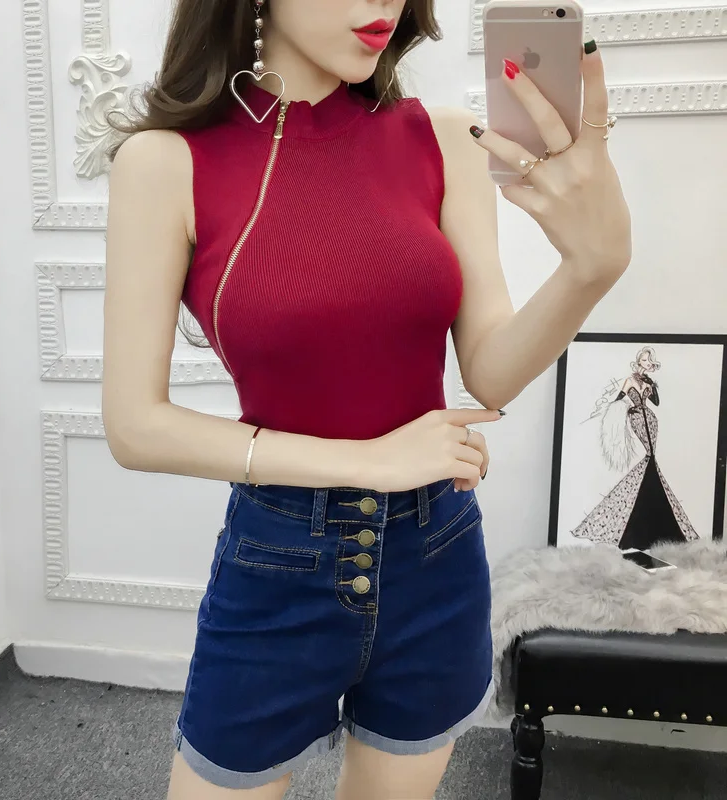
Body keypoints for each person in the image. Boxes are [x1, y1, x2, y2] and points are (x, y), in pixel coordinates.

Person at [101, 1, 631, 797]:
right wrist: (369, 462)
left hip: (436, 556)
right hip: (278, 565)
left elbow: (490, 372)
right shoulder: (165, 163)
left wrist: (593, 268)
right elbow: (134, 425)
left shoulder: (444, 140)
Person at [573, 346, 698, 549]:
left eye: (650, 361)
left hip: (650, 417)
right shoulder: (629, 380)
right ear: (638, 361)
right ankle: (646, 485)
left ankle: (650, 484)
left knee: (651, 455)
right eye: (645, 360)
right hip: (637, 417)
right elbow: (618, 399)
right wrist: (624, 410)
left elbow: (656, 403)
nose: (647, 364)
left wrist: (653, 386)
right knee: (648, 454)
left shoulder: (648, 382)